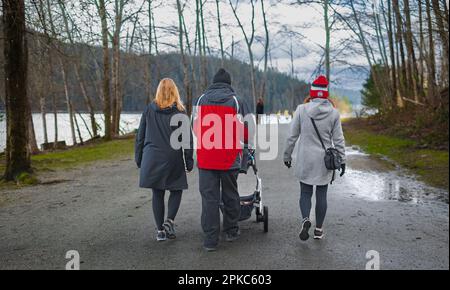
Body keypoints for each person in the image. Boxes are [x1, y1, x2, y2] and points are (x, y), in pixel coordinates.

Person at [192, 68, 254, 252]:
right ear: (229, 83)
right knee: (230, 193)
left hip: (206, 157)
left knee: (209, 199)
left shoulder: (200, 100)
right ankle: (231, 231)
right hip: (229, 156)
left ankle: (210, 240)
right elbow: (248, 129)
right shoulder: (236, 101)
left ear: (213, 82)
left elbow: (195, 127)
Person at [283, 75, 346, 241]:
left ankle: (305, 220)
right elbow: (339, 139)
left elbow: (292, 136)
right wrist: (343, 159)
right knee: (321, 195)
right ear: (326, 94)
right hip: (324, 161)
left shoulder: (301, 110)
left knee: (305, 193)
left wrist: (287, 155)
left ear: (312, 92)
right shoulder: (334, 113)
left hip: (305, 159)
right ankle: (318, 230)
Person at [135, 78, 193, 242]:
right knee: (176, 189)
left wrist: (139, 159)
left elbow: (140, 137)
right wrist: (189, 160)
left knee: (157, 192)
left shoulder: (149, 110)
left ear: (158, 91)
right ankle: (170, 220)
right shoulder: (180, 112)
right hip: (172, 157)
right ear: (175, 91)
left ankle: (160, 230)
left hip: (151, 157)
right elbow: (187, 140)